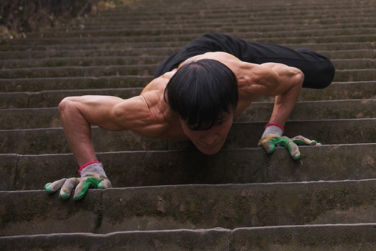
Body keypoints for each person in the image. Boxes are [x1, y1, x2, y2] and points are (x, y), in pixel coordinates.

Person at [44, 33, 336, 201]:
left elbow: (295, 76)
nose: (210, 139)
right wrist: (91, 170)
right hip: (176, 67)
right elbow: (72, 107)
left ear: (236, 103)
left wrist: (273, 128)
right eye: (196, 129)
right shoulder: (150, 113)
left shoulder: (250, 81)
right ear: (177, 118)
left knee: (321, 70)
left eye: (219, 124)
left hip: (225, 52)